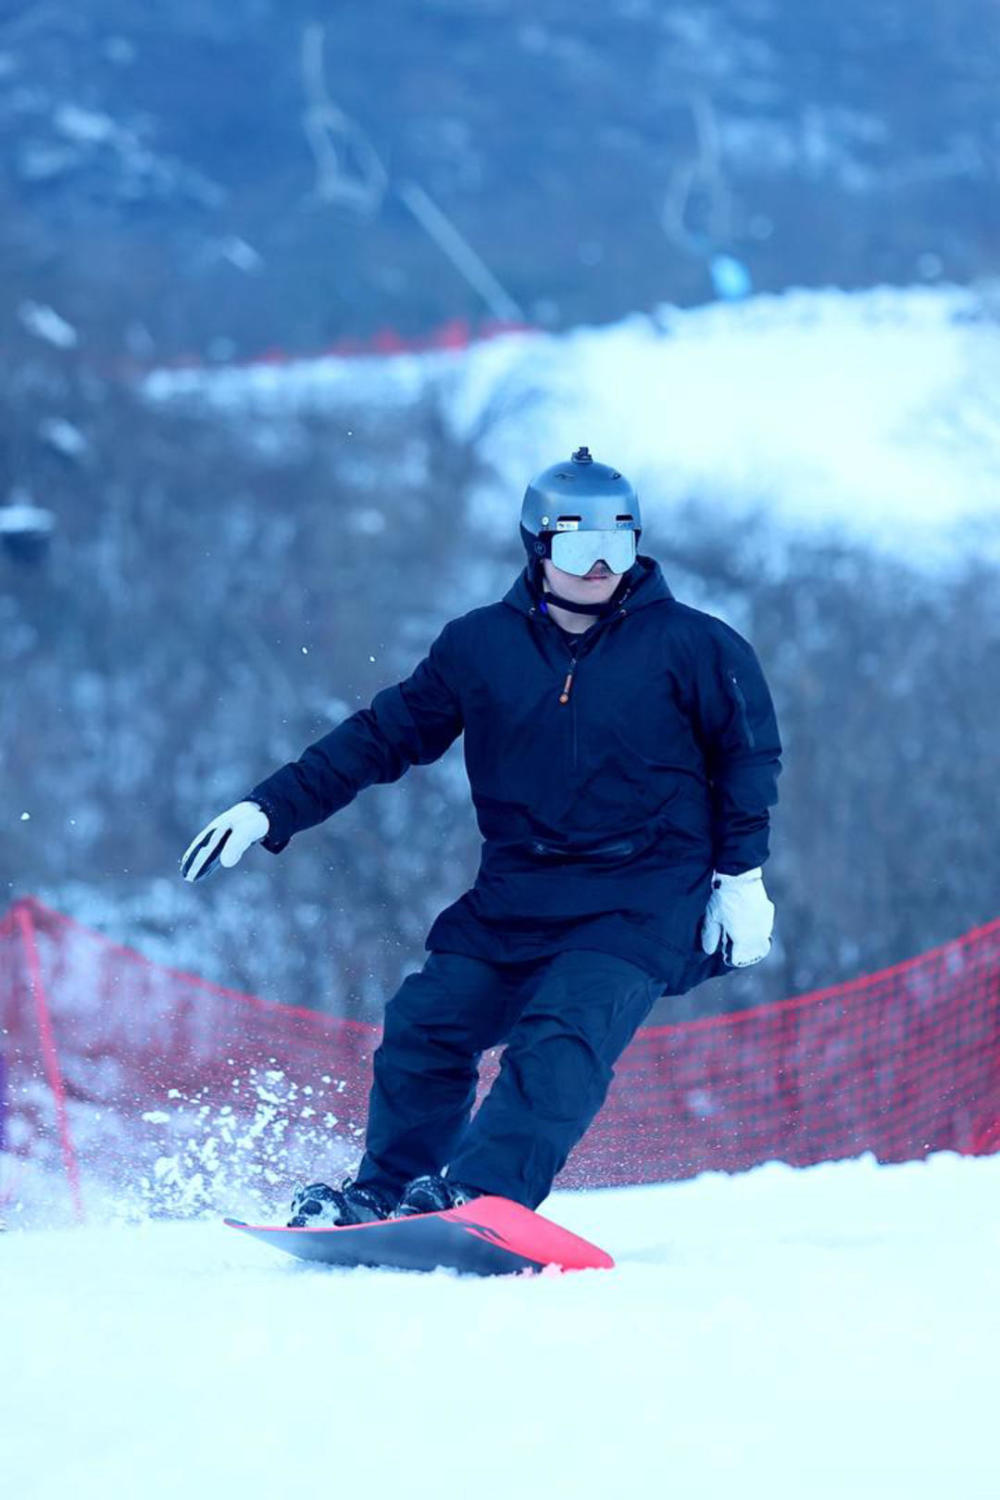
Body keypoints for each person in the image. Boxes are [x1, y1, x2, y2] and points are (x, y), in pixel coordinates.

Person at [181, 447, 781, 1225]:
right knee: (426, 1024)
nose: (600, 564)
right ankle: (390, 1194)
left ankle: (483, 1194)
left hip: (643, 896)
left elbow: (748, 761)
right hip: (517, 895)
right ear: (537, 546)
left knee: (559, 1035)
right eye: (577, 544)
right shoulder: (480, 647)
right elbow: (381, 736)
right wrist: (271, 808)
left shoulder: (697, 647)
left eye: (619, 543)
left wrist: (741, 878)